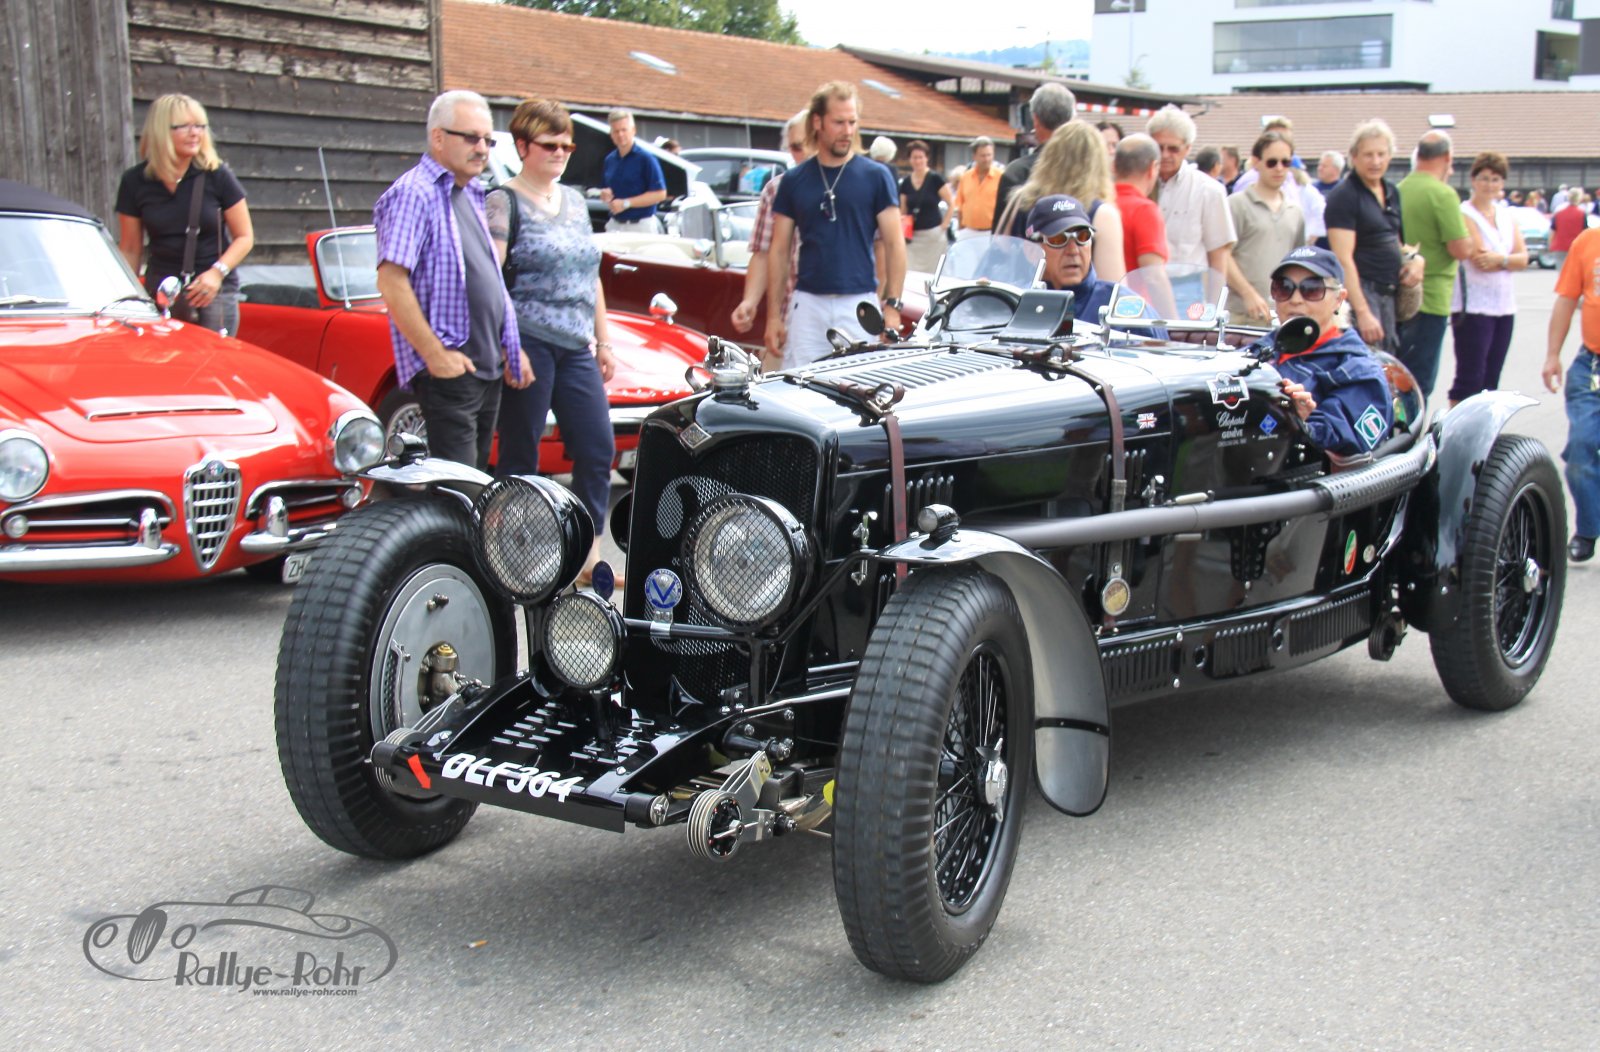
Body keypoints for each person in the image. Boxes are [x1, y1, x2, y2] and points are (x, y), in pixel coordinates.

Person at [485, 98, 615, 583]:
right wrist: (509, 343)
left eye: (567, 146)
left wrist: (604, 341)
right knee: (521, 454)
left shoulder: (576, 202)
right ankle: (510, 553)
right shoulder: (503, 201)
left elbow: (590, 274)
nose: (560, 153)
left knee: (597, 448)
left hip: (576, 344)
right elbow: (491, 277)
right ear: (523, 146)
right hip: (529, 340)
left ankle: (587, 555)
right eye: (549, 144)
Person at [373, 89, 531, 470]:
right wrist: (435, 355)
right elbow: (391, 281)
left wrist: (510, 346)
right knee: (457, 486)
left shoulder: (471, 193)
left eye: (488, 140)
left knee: (473, 482)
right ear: (438, 137)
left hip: (485, 366)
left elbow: (488, 278)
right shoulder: (414, 193)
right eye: (472, 138)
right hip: (451, 369)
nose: (482, 149)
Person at [765, 82, 905, 368]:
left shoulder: (876, 176)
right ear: (818, 122)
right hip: (808, 303)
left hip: (859, 302)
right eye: (839, 122)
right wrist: (773, 317)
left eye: (852, 122)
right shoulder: (794, 180)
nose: (847, 131)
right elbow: (779, 250)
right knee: (799, 384)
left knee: (861, 384)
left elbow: (895, 243)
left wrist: (893, 305)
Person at [116, 93, 255, 335]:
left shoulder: (218, 175)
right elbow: (130, 248)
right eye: (185, 126)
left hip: (213, 291)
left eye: (200, 126)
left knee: (214, 357)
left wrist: (217, 273)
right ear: (161, 130)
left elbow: (245, 237)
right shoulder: (134, 181)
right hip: (162, 291)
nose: (195, 133)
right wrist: (126, 297)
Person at [1261, 246, 1394, 455]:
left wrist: (1302, 421)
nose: (1295, 299)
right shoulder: (1257, 350)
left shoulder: (1358, 369)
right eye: (1284, 287)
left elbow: (1351, 439)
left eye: (1311, 289)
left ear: (1339, 299)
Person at [1325, 119, 1414, 354]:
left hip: (1390, 293)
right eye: (1368, 155)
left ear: (1390, 156)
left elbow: (1397, 241)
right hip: (1362, 293)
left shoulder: (1392, 192)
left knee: (1389, 361)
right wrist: (1362, 312)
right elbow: (1343, 258)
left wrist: (1415, 260)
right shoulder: (1344, 196)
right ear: (1354, 157)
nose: (1375, 161)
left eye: (1381, 154)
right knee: (1365, 360)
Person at [732, 109, 812, 365]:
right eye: (796, 147)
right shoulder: (776, 189)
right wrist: (750, 302)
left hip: (841, 318)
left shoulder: (851, 185)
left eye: (809, 143)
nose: (804, 152)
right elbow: (763, 253)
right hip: (788, 316)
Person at [1000, 120, 1127, 282]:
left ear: (1049, 156)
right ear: (1098, 164)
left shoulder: (1021, 200)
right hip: (1075, 298)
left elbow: (1003, 251)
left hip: (1023, 295)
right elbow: (1114, 286)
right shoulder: (1103, 215)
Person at [1447, 151, 1527, 407]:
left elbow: (1523, 258)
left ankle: (1484, 425)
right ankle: (1456, 425)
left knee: (1492, 376)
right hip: (1473, 304)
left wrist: (1501, 260)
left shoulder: (1506, 215)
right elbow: (1480, 259)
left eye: (1495, 179)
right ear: (1473, 180)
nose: (1489, 185)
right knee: (1470, 375)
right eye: (1484, 178)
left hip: (1503, 304)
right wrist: (1507, 260)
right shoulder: (1464, 213)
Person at [1397, 130, 1473, 397]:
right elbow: (1460, 248)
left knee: (1398, 373)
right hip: (1431, 295)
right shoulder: (1443, 194)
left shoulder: (1399, 189)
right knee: (1420, 382)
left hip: (1401, 295)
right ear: (1447, 157)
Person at [1545, 224, 1600, 562]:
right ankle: (1588, 529)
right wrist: (1553, 354)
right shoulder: (1588, 242)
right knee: (1581, 448)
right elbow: (1566, 300)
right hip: (1591, 365)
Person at [1146, 106, 1235, 280]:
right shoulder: (1137, 186)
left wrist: (1215, 297)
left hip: (1188, 288)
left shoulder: (1209, 191)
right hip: (1142, 286)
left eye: (1173, 149)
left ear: (1187, 148)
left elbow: (1218, 256)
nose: (1165, 155)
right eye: (1159, 147)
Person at [1226, 131, 1306, 323]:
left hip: (1281, 315)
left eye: (1285, 162)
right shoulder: (1236, 204)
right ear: (1256, 162)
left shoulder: (1295, 211)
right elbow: (1222, 257)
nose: (1279, 168)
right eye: (1272, 162)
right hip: (1241, 314)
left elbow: (1298, 264)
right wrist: (1248, 294)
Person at [994, 82, 1077, 229]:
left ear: (1035, 119)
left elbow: (1001, 235)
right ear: (1071, 120)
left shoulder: (1017, 173)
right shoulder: (1086, 169)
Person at [1028, 195, 1117, 323]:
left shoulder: (1118, 304)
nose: (1073, 250)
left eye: (1082, 237)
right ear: (1031, 251)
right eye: (1058, 239)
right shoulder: (1015, 303)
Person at [599, 109, 667, 232]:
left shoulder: (646, 159)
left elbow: (660, 194)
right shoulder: (609, 160)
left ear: (633, 130)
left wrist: (626, 203)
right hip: (615, 225)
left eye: (624, 130)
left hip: (641, 226)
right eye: (616, 131)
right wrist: (605, 195)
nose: (620, 135)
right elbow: (606, 190)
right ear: (611, 134)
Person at [1113, 133, 1170, 275]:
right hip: (1133, 290)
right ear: (1152, 168)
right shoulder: (1144, 210)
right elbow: (1154, 276)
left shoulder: (1099, 205)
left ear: (1114, 167)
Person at [898, 139, 952, 273]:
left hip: (933, 235)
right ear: (910, 159)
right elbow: (903, 210)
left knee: (933, 273)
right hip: (912, 237)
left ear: (926, 158)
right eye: (914, 157)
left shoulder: (935, 179)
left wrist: (944, 225)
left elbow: (951, 203)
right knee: (910, 271)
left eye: (921, 157)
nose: (918, 161)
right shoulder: (905, 183)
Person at [950, 136, 1000, 239]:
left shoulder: (1001, 177)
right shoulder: (965, 177)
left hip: (991, 232)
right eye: (982, 156)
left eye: (989, 155)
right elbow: (960, 206)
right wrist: (961, 230)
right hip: (968, 232)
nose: (986, 159)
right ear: (974, 156)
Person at [1550, 188, 1588, 269]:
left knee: (1561, 272)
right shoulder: (1581, 214)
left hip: (1560, 247)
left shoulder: (1559, 213)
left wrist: (1550, 244)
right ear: (1579, 198)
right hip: (1576, 247)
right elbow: (1585, 232)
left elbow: (1552, 230)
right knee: (1575, 272)